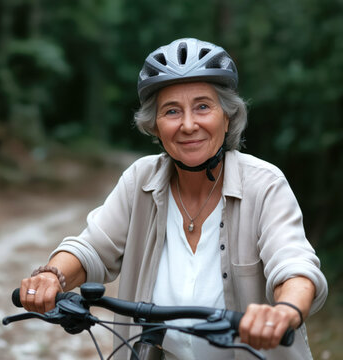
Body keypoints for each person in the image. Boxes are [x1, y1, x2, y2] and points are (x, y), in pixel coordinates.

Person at [19, 38, 327, 359]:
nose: (189, 124)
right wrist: (51, 276)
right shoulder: (141, 180)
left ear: (228, 116)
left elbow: (294, 264)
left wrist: (285, 310)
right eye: (172, 111)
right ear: (155, 125)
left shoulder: (264, 184)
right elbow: (93, 247)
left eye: (203, 106)